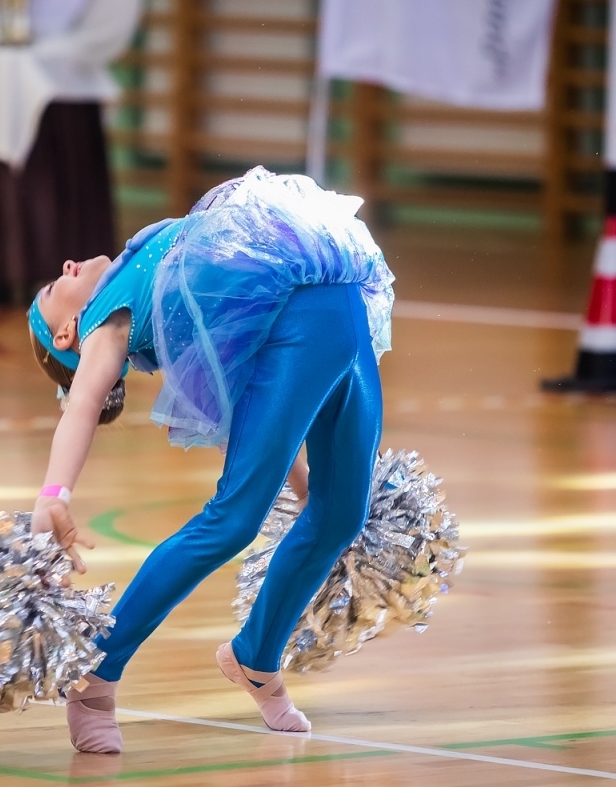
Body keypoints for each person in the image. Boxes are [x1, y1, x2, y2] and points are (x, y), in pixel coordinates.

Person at [26, 167, 394, 753]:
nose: (66, 269)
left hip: (340, 300)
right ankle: (95, 675)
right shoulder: (105, 318)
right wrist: (54, 495)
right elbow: (82, 405)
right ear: (68, 331)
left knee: (343, 514)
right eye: (53, 290)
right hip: (306, 316)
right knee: (233, 521)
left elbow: (240, 416)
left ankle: (256, 657)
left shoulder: (152, 275)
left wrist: (299, 485)